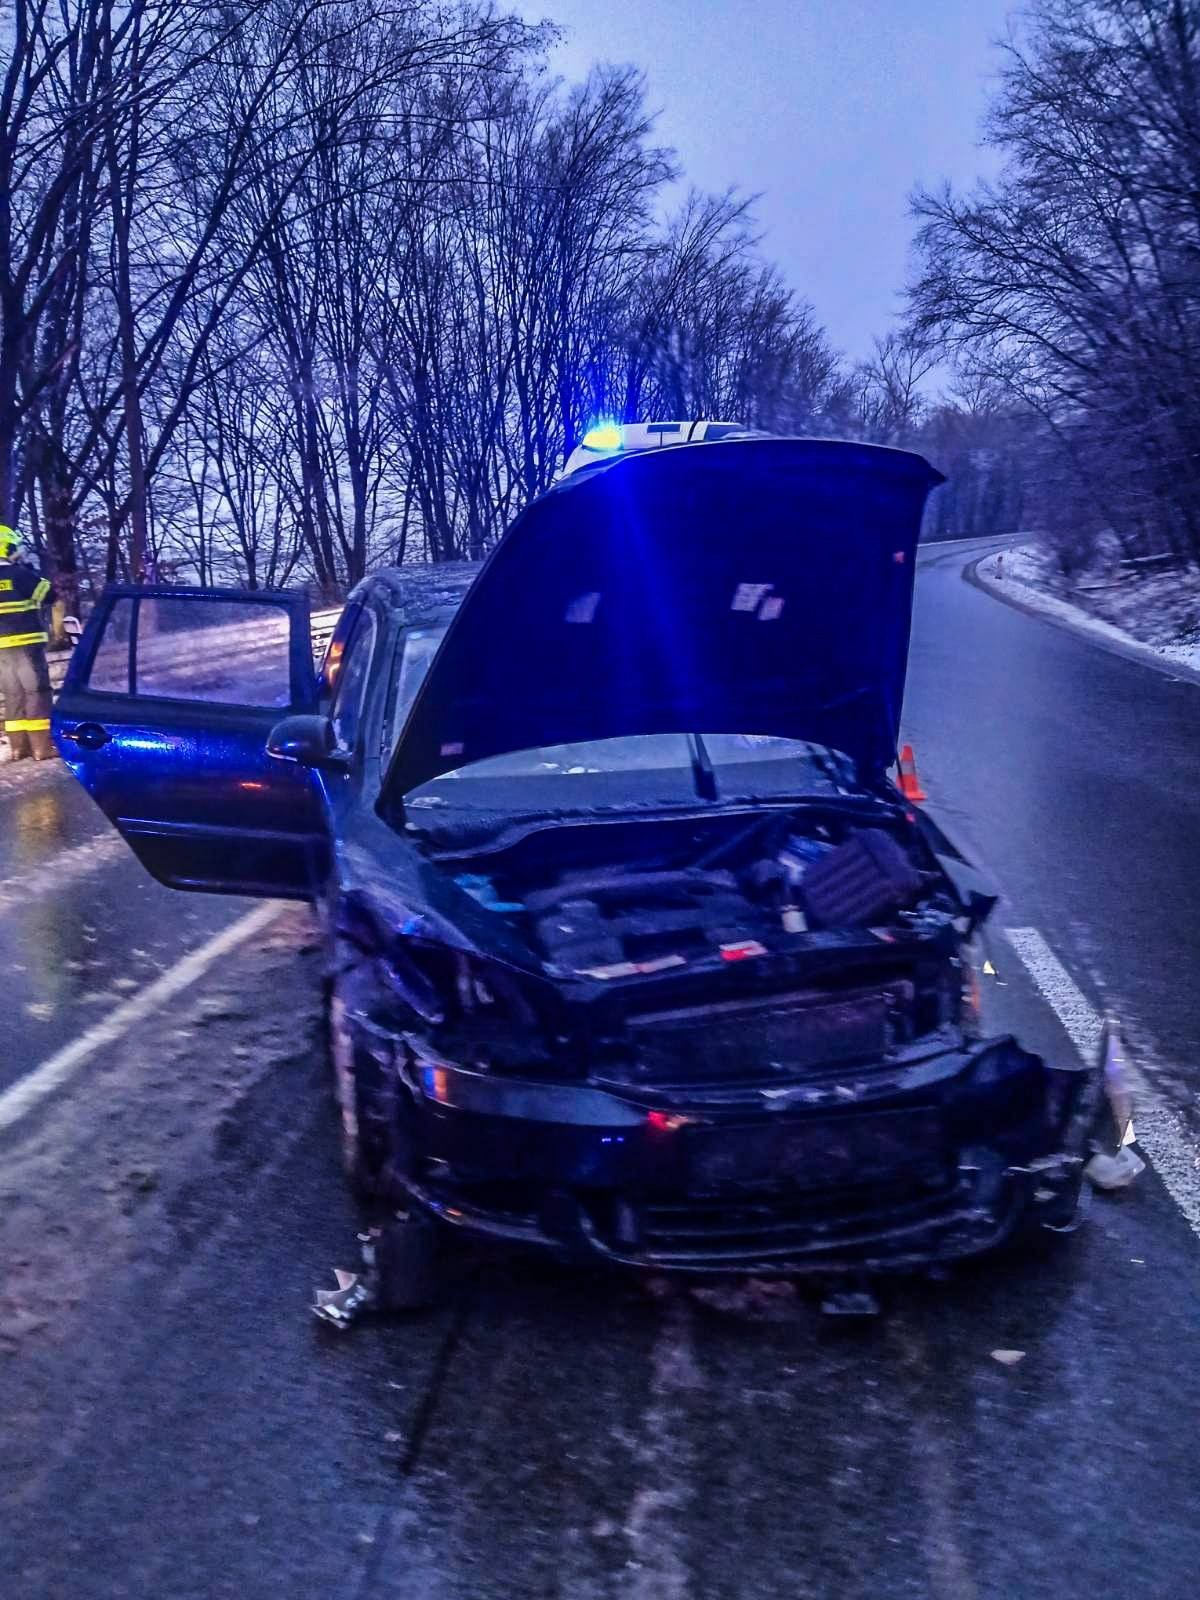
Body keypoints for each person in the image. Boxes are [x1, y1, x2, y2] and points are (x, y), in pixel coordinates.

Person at [0, 525, 55, 761]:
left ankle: (18, 748)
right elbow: (50, 595)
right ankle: (42, 748)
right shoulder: (20, 574)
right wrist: (34, 573)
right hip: (27, 645)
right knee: (37, 692)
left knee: (13, 695)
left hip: (1, 650)